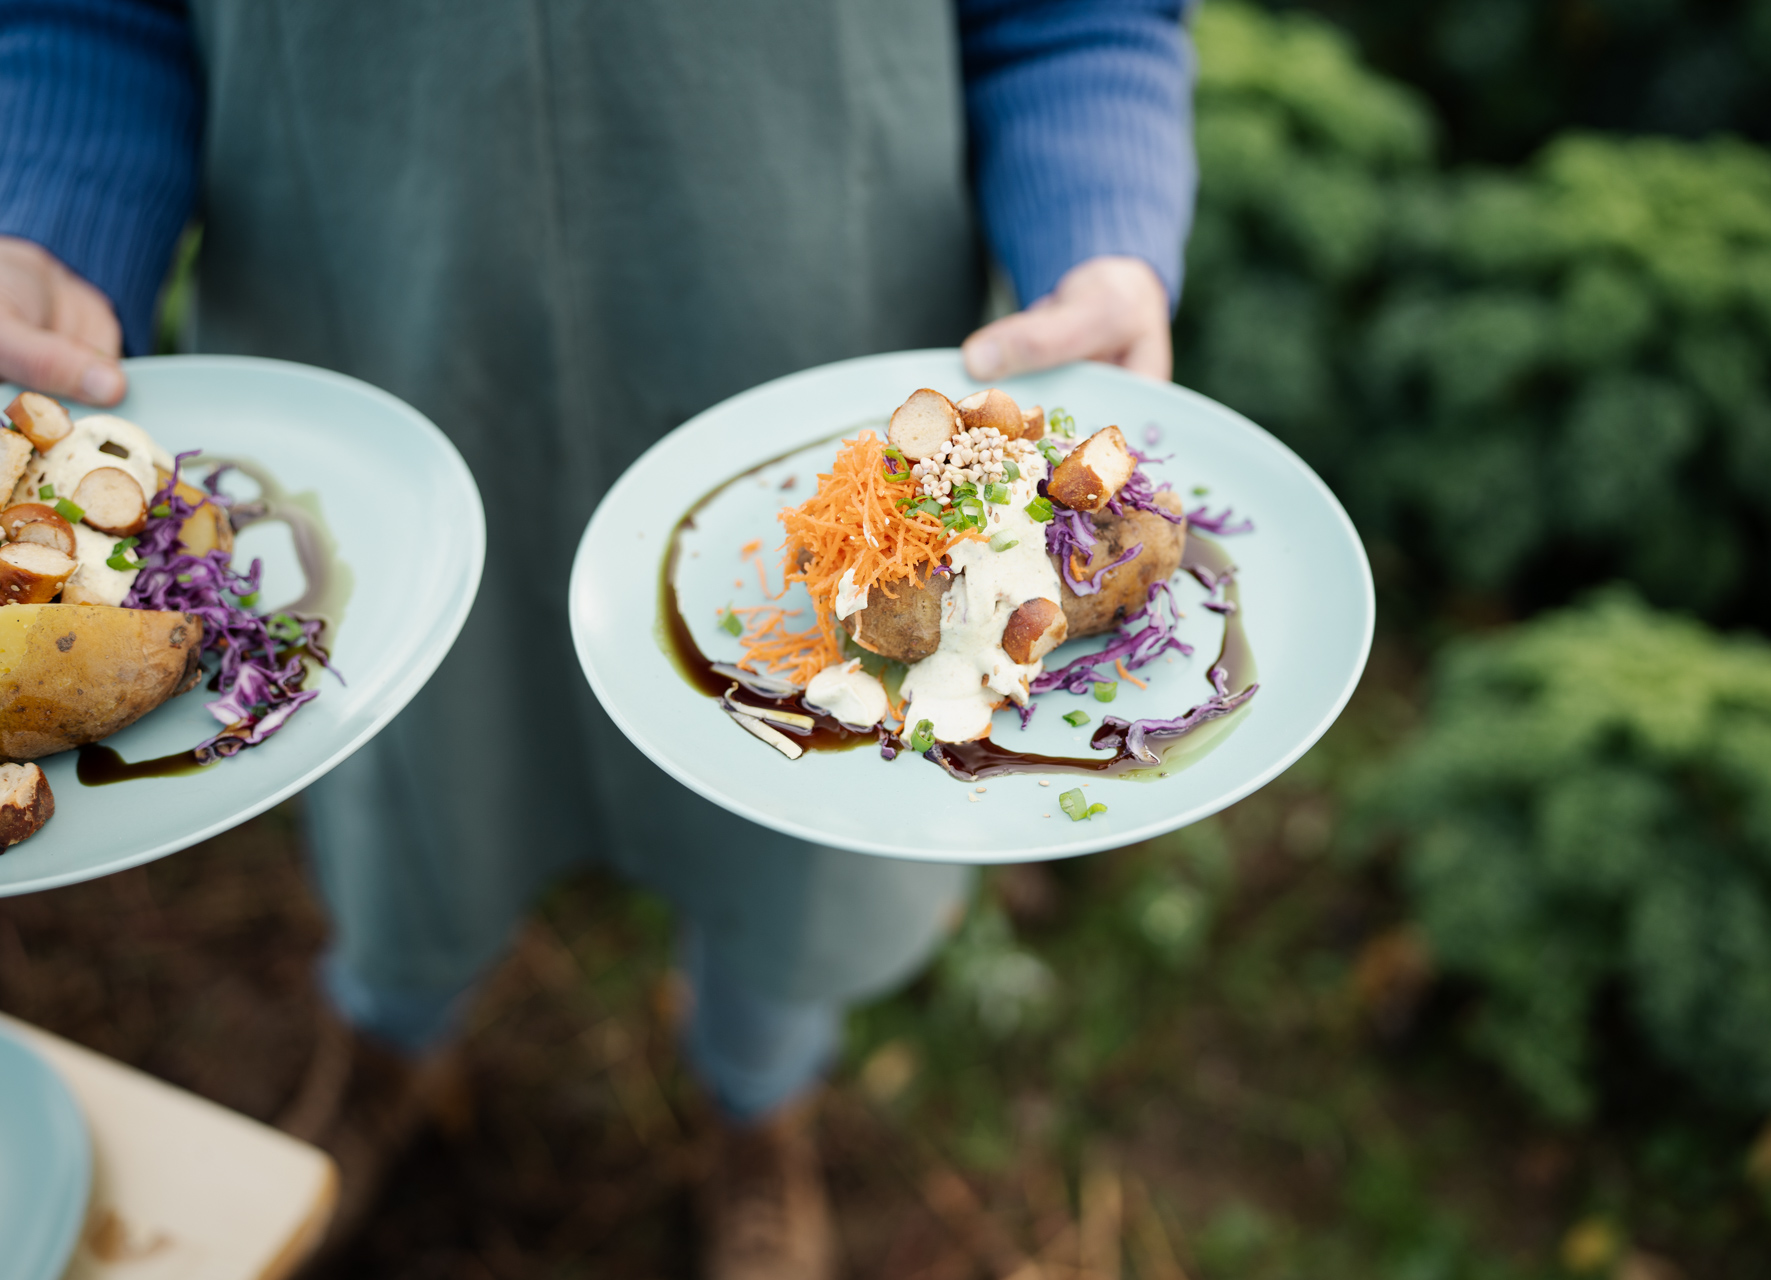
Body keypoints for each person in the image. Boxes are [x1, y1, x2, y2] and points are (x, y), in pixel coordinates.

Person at [0, 1, 1195, 1274]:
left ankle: (759, 1103)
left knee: (796, 842)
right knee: (417, 793)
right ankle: (390, 1043)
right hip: (385, 343)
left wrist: (1095, 228)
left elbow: (1079, 17)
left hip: (815, 389)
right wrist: (53, 223)